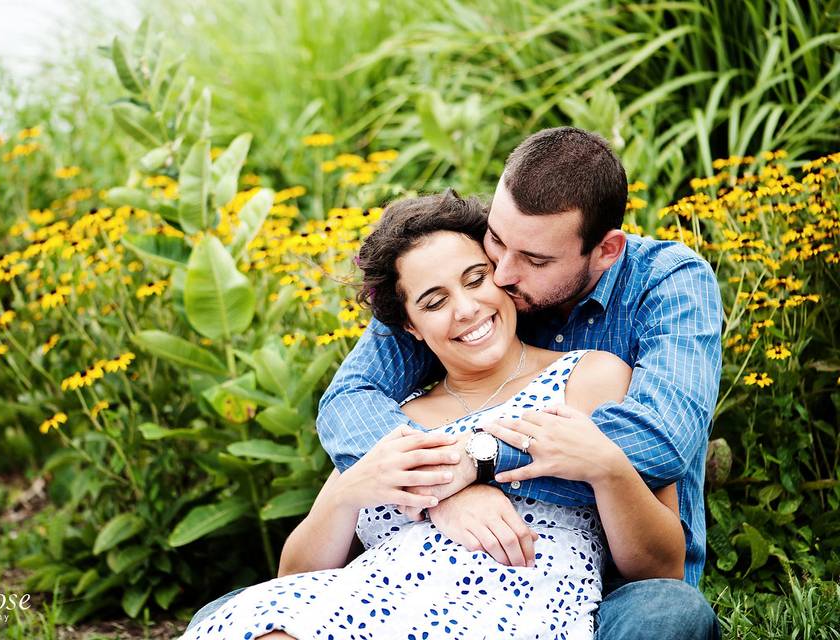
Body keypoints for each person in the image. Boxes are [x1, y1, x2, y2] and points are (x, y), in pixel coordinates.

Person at [182, 191, 686, 640]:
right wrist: (346, 493)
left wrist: (607, 467)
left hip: (513, 611)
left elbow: (663, 566)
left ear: (502, 277)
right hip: (364, 606)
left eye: (476, 279)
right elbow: (295, 575)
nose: (466, 309)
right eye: (435, 301)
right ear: (411, 327)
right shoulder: (391, 420)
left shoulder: (587, 377)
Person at [315, 127, 723, 639]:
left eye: (535, 260)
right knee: (237, 611)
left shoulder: (667, 284)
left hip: (614, 578)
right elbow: (350, 400)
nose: (502, 274)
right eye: (497, 242)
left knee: (667, 617)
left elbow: (658, 442)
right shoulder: (467, 279)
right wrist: (442, 488)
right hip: (430, 579)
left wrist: (478, 461)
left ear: (605, 251)